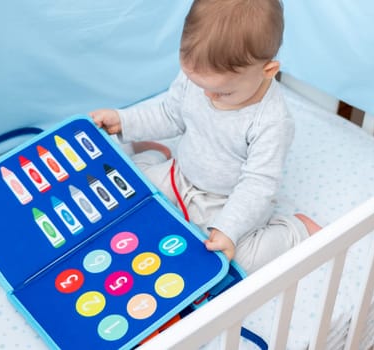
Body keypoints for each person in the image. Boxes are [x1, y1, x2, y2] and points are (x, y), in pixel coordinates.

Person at [90, 0, 320, 273]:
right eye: (200, 85)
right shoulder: (200, 77)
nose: (208, 97)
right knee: (128, 197)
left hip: (227, 202)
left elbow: (258, 185)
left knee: (236, 261)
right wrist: (123, 120)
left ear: (267, 71)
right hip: (180, 176)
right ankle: (156, 156)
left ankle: (295, 230)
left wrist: (228, 229)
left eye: (222, 93)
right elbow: (170, 114)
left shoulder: (271, 122)